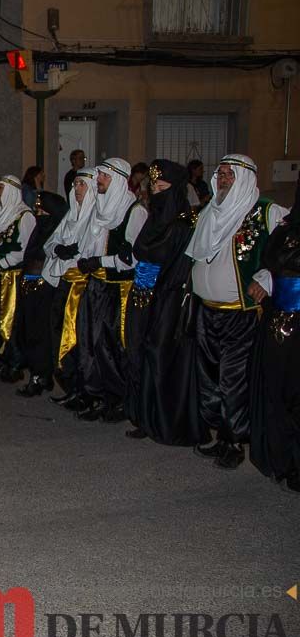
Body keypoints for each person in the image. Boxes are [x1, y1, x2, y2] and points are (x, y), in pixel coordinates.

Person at [187, 155, 287, 470]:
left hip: (240, 315)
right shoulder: (210, 211)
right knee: (210, 378)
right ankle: (223, 435)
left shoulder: (266, 212)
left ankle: (236, 440)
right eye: (221, 174)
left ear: (245, 178)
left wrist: (266, 278)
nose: (224, 179)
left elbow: (288, 251)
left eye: (231, 175)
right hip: (207, 311)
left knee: (233, 380)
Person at [123, 160, 204, 445]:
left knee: (160, 355)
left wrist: (161, 292)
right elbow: (140, 250)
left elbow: (178, 264)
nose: (157, 192)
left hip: (168, 298)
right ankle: (144, 416)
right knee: (139, 352)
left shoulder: (184, 223)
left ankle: (165, 420)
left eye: (163, 187)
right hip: (143, 294)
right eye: (154, 187)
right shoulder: (154, 218)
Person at [73, 158, 147, 423]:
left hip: (116, 288)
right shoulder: (100, 208)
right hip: (95, 283)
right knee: (89, 343)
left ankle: (118, 399)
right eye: (99, 176)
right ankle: (97, 394)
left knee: (111, 346)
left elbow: (131, 258)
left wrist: (100, 262)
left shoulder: (133, 211)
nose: (99, 180)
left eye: (103, 176)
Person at [249, 179, 300, 493]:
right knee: (277, 390)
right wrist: (263, 282)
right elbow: (271, 262)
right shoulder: (287, 226)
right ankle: (280, 458)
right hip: (276, 321)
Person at [42, 168, 98, 410]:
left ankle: (82, 389)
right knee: (59, 334)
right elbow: (52, 241)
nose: (76, 189)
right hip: (65, 282)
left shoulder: (96, 216)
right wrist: (58, 250)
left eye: (81, 185)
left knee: (76, 339)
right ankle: (70, 386)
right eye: (75, 184)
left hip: (82, 287)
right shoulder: (71, 214)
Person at [0, 176, 35, 383]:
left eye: (0, 187)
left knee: (9, 322)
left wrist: (1, 264)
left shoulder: (24, 216)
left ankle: (14, 365)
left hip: (9, 277)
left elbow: (25, 250)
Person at [13, 191, 69, 396]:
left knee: (41, 334)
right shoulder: (39, 229)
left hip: (46, 290)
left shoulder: (56, 230)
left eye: (42, 210)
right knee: (27, 332)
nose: (38, 213)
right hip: (29, 287)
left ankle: (41, 376)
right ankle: (37, 373)